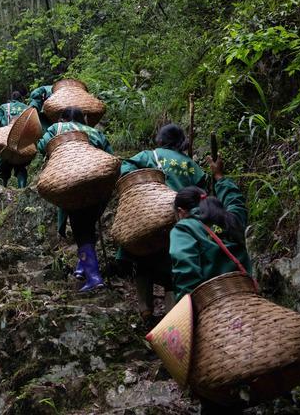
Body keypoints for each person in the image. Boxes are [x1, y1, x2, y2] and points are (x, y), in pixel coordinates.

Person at [169, 155, 250, 415]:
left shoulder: (185, 229)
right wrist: (220, 178)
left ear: (182, 212)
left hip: (213, 315)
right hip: (247, 309)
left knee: (213, 383)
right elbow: (236, 203)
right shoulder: (231, 221)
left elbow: (186, 274)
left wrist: (185, 320)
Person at [118, 123, 208, 319]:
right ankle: (171, 320)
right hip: (180, 220)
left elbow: (125, 169)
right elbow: (203, 193)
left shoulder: (150, 156)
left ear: (160, 139)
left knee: (143, 261)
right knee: (172, 270)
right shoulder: (191, 165)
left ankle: (145, 310)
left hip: (150, 217)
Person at [37, 107, 113, 292]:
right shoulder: (95, 132)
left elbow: (42, 147)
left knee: (81, 231)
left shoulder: (57, 128)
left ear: (63, 118)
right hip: (98, 185)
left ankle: (94, 277)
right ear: (83, 118)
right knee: (88, 226)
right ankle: (82, 266)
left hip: (72, 183)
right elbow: (109, 155)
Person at [0, 91, 30, 188]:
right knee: (21, 166)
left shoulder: (4, 107)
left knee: (4, 166)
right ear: (21, 99)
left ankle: (2, 189)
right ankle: (22, 189)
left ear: (11, 98)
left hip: (6, 139)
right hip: (22, 141)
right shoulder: (27, 108)